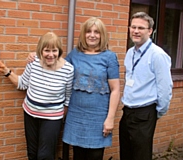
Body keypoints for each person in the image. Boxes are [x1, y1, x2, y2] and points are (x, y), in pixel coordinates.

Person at [27, 17, 120, 160]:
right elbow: (55, 64)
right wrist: (36, 55)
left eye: (97, 32)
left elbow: (115, 90)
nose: (92, 35)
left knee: (95, 155)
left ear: (102, 35)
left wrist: (110, 118)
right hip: (76, 115)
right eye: (88, 31)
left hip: (98, 117)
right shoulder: (75, 54)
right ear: (83, 34)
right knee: (77, 155)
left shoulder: (109, 57)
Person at [0, 32, 74, 160]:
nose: (50, 54)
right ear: (41, 51)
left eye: (54, 50)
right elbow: (22, 83)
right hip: (30, 114)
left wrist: (60, 116)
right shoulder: (33, 62)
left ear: (59, 51)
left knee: (45, 156)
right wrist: (5, 71)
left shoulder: (68, 70)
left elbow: (68, 97)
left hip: (52, 119)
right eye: (47, 50)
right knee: (32, 154)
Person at [120, 12, 173, 160]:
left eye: (141, 28)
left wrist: (158, 112)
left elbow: (165, 88)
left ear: (150, 31)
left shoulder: (157, 55)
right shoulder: (130, 52)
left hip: (144, 114)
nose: (136, 31)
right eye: (133, 27)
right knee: (126, 154)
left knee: (141, 156)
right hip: (127, 112)